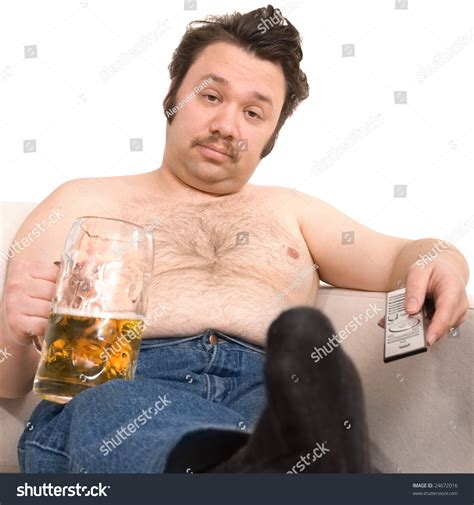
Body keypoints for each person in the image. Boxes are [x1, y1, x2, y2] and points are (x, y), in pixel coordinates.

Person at [0, 5, 469, 474]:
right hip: (122, 393)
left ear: (270, 137)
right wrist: (15, 329)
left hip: (269, 394)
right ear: (172, 99)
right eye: (209, 97)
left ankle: (262, 460)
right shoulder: (80, 201)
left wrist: (445, 259)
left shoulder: (294, 211)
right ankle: (259, 467)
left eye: (253, 112)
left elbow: (401, 257)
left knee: (300, 378)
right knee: (114, 403)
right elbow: (9, 378)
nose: (227, 125)